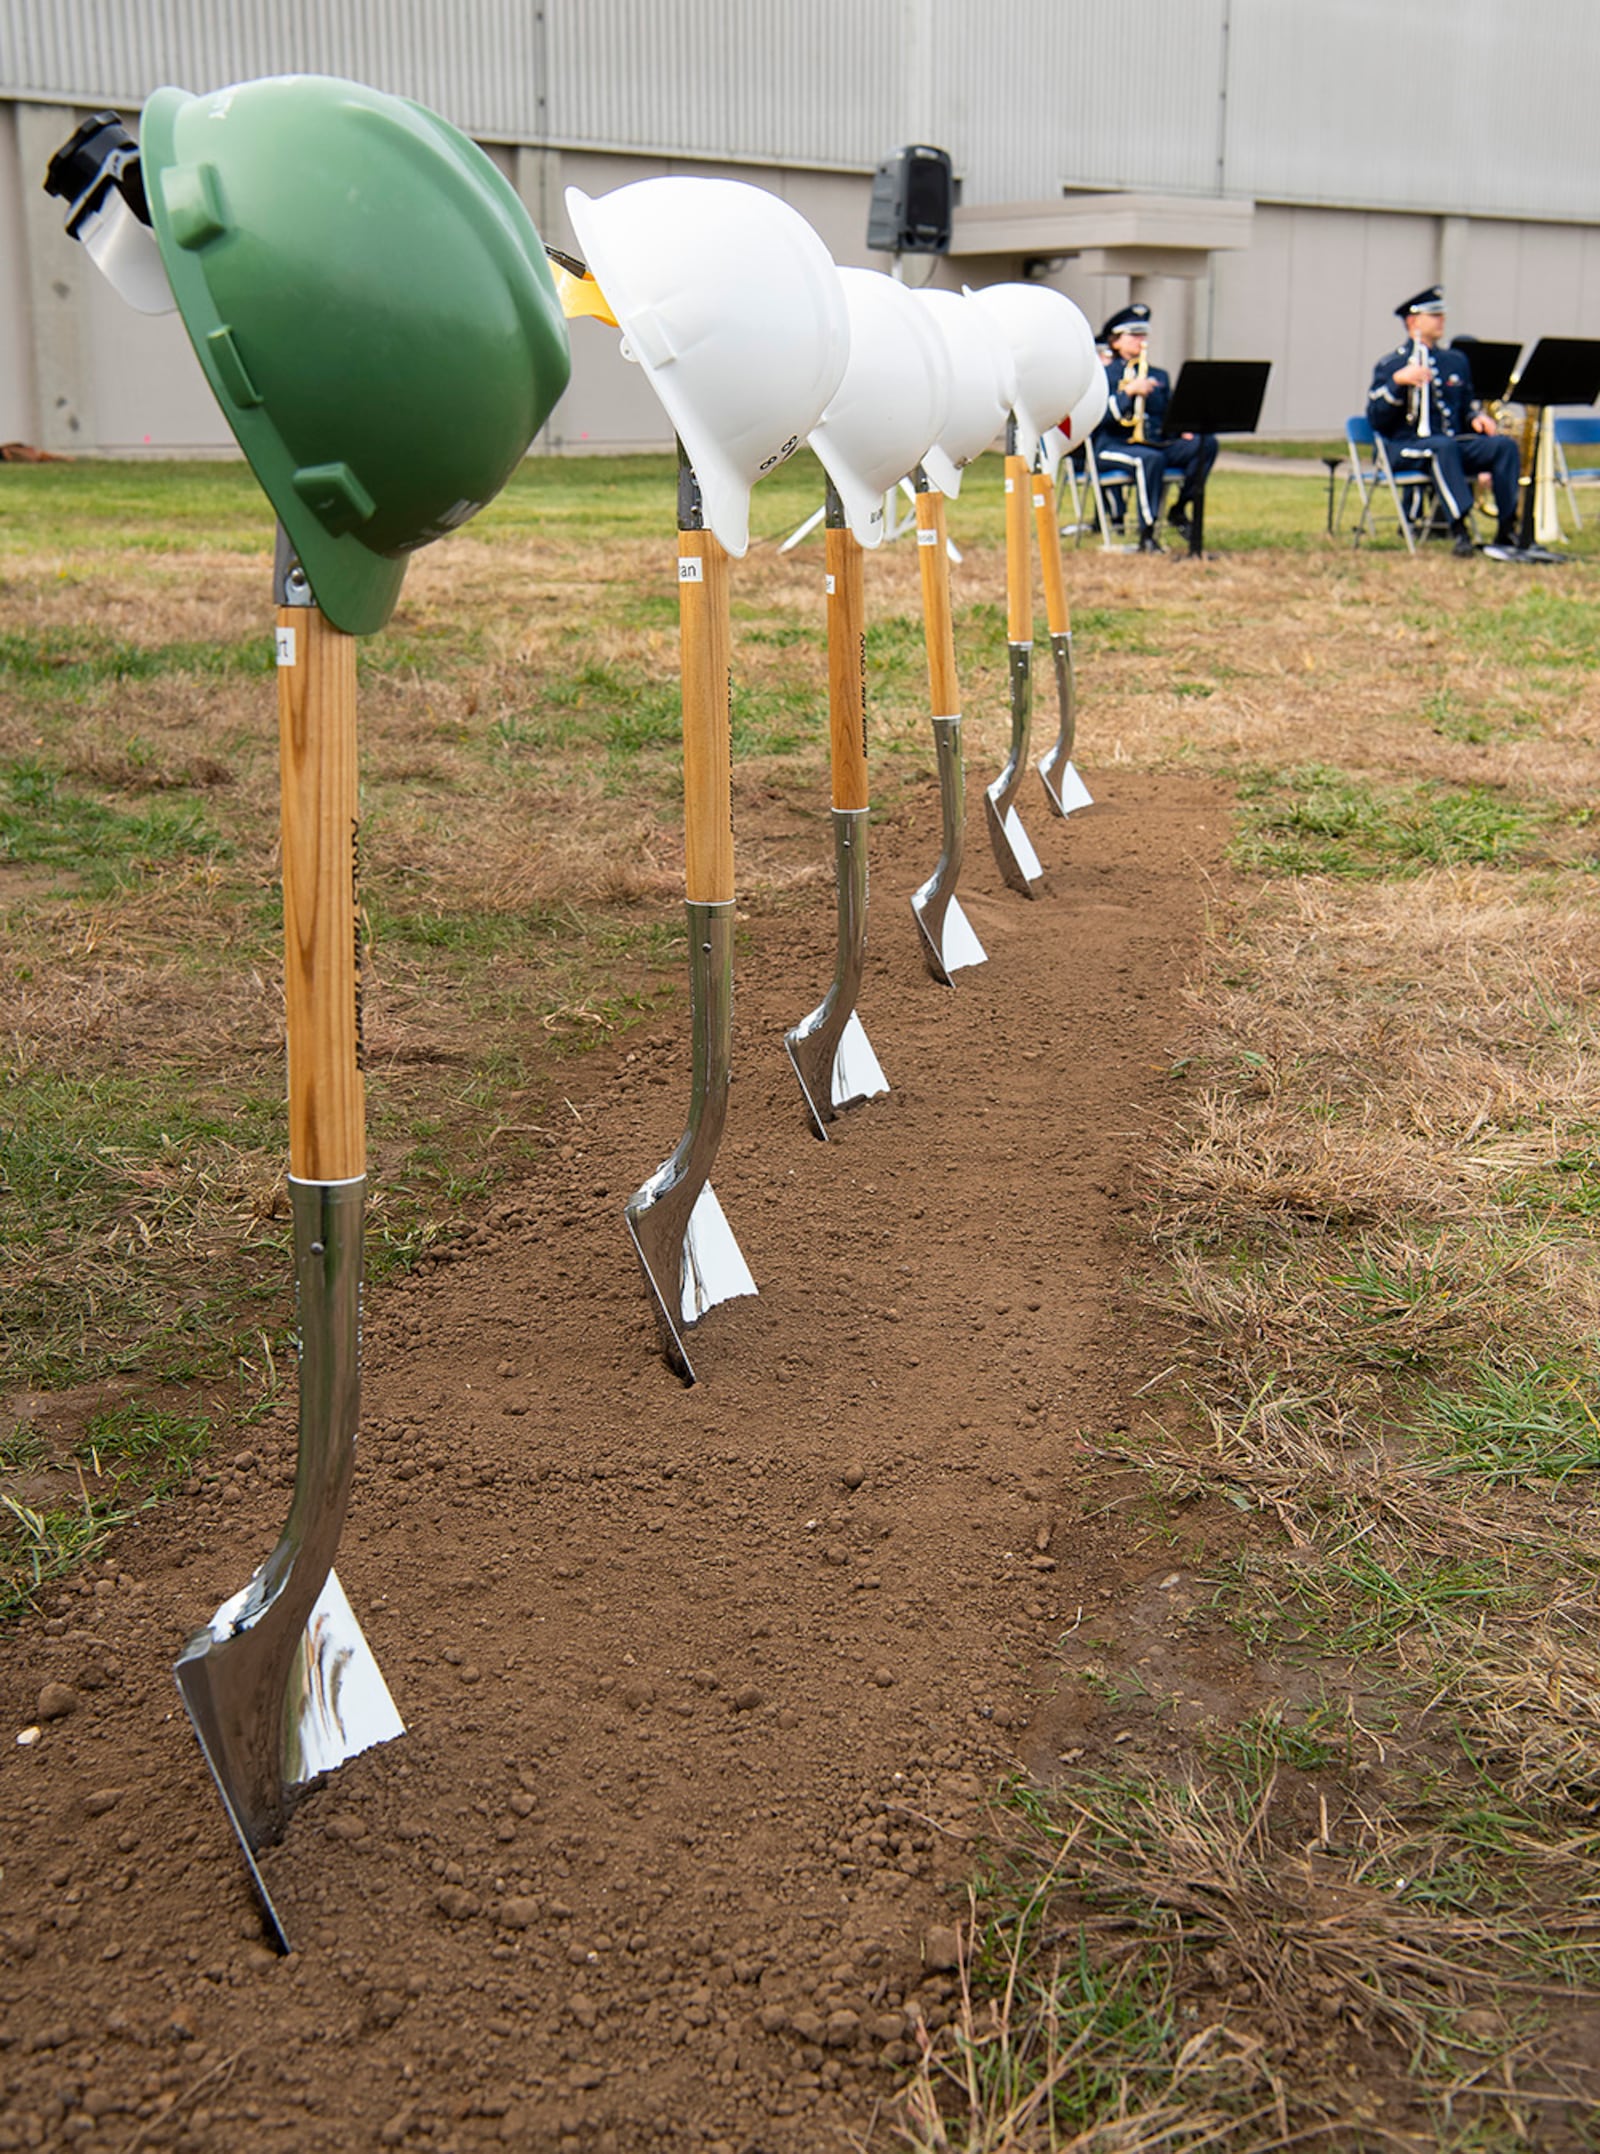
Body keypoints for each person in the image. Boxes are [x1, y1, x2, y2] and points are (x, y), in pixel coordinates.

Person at [1367, 287, 1522, 559]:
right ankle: (1459, 529)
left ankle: (1507, 528)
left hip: (1447, 443)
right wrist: (1398, 382)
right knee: (1442, 448)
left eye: (1441, 315)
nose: (1441, 320)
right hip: (1403, 446)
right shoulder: (1392, 364)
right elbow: (1377, 418)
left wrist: (1476, 418)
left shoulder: (1455, 361)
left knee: (1503, 446)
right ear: (1413, 321)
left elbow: (1464, 407)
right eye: (1433, 315)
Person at [1091, 302, 1217, 551]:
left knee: (1205, 444)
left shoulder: (1158, 375)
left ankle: (1180, 508)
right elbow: (1098, 417)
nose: (1140, 341)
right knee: (1150, 461)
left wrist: (1182, 428)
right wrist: (1128, 393)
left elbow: (1168, 414)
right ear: (1115, 341)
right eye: (1133, 335)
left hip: (1154, 442)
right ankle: (1147, 534)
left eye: (1143, 335)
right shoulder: (1102, 375)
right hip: (1113, 445)